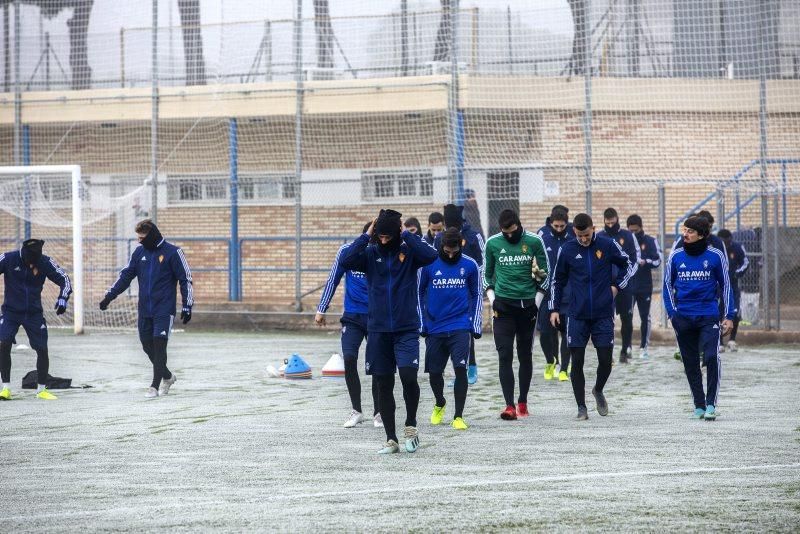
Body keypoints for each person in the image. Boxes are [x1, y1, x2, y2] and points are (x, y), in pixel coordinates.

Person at [339, 209, 438, 454]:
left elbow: (432, 254)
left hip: (406, 329)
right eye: (379, 236)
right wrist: (366, 235)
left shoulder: (410, 252)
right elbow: (345, 260)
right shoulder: (370, 254)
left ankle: (411, 425)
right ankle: (391, 439)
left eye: (388, 236)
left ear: (397, 233)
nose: (384, 240)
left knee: (408, 377)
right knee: (383, 383)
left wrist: (406, 233)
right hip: (378, 331)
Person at [550, 213, 636, 420]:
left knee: (605, 360)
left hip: (603, 313)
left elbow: (628, 264)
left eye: (587, 235)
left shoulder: (607, 245)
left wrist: (617, 286)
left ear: (593, 229)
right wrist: (553, 308)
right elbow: (557, 280)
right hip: (576, 315)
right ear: (574, 232)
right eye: (580, 236)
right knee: (576, 361)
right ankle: (581, 407)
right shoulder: (568, 249)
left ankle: (598, 389)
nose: (584, 239)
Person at [99, 219, 193, 398]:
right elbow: (125, 276)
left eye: (142, 237)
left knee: (159, 347)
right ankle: (168, 376)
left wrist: (187, 305)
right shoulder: (139, 253)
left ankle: (154, 387)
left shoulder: (173, 252)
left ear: (151, 236)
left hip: (164, 310)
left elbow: (185, 279)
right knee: (147, 346)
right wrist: (109, 296)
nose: (139, 241)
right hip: (145, 310)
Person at [664, 216, 734, 420]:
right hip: (683, 317)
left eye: (690, 231)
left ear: (701, 235)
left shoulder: (715, 256)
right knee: (690, 361)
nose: (685, 234)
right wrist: (672, 314)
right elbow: (667, 285)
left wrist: (728, 316)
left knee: (712, 356)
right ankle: (699, 405)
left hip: (708, 315)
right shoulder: (676, 256)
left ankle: (711, 404)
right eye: (684, 230)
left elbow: (726, 286)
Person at [483, 209, 549, 420]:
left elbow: (546, 275)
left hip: (527, 308)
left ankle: (523, 401)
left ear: (519, 225)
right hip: (503, 308)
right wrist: (494, 301)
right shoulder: (492, 243)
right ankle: (509, 405)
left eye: (513, 231)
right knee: (504, 355)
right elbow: (486, 276)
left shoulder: (534, 241)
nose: (509, 236)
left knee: (525, 354)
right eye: (505, 232)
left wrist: (536, 303)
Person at [315, 222, 381, 429]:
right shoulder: (347, 252)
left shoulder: (383, 253)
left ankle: (379, 413)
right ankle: (356, 410)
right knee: (350, 358)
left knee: (377, 366)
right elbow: (333, 279)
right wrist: (321, 308)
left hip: (377, 318)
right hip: (352, 317)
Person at [417, 228, 482, 430]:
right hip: (435, 327)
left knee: (460, 369)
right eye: (447, 250)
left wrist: (475, 322)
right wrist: (422, 322)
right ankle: (440, 403)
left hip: (460, 326)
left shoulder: (470, 265)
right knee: (435, 373)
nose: (451, 254)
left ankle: (458, 416)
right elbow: (418, 294)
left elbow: (477, 294)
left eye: (455, 250)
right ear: (441, 246)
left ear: (461, 245)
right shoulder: (427, 265)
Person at [0, 239, 71, 400]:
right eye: (30, 261)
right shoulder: (8, 259)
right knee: (3, 343)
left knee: (42, 348)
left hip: (34, 314)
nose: (33, 265)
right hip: (11, 312)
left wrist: (63, 298)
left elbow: (64, 279)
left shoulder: (45, 262)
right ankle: (6, 388)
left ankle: (41, 390)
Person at [435, 203, 485, 384]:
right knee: (448, 330)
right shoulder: (440, 237)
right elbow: (435, 261)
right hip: (445, 291)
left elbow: (483, 261)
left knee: (466, 328)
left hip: (467, 291)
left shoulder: (474, 236)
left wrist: (467, 275)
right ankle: (455, 369)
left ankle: (471, 369)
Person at [597, 207, 640, 363]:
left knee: (627, 318)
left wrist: (625, 279)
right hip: (606, 287)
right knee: (607, 319)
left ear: (617, 219)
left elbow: (635, 258)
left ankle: (625, 349)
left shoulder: (627, 236)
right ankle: (608, 351)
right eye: (607, 222)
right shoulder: (599, 237)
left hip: (625, 285)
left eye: (612, 222)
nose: (610, 225)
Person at [536, 208, 574, 381]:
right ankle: (551, 361)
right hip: (546, 291)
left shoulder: (573, 236)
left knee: (566, 330)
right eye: (556, 226)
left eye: (562, 226)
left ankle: (565, 368)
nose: (559, 229)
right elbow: (534, 260)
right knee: (545, 331)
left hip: (567, 291)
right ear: (550, 223)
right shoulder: (542, 237)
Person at [626, 214, 663, 359]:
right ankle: (627, 346)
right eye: (631, 231)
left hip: (644, 286)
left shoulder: (650, 241)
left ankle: (643, 347)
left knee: (644, 317)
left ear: (641, 228)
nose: (633, 234)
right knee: (626, 316)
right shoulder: (625, 241)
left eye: (636, 231)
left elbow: (658, 260)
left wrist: (645, 262)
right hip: (628, 286)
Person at [716, 229, 748, 352]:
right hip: (717, 287)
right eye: (723, 242)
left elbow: (745, 262)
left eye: (727, 242)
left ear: (730, 239)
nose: (725, 244)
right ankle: (719, 343)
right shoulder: (714, 249)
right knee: (718, 313)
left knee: (734, 312)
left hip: (732, 286)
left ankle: (732, 340)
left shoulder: (737, 247)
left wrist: (736, 273)